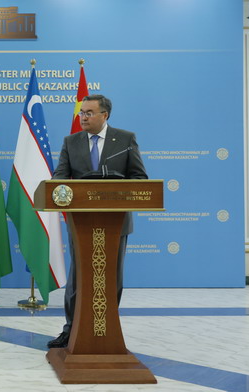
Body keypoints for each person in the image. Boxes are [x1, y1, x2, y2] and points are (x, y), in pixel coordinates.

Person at [47, 94, 148, 349]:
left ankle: (107, 330)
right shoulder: (71, 142)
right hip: (81, 224)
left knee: (111, 277)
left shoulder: (125, 140)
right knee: (78, 277)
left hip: (115, 224)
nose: (83, 117)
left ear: (105, 115)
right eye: (82, 112)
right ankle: (71, 330)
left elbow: (139, 179)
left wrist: (115, 189)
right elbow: (60, 179)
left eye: (89, 113)